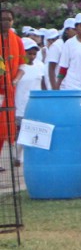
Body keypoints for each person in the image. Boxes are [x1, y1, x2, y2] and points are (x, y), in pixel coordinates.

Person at [14, 37, 47, 166]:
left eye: (34, 54)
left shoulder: (40, 66)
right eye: (29, 53)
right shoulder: (18, 67)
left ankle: (29, 156)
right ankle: (18, 155)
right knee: (22, 130)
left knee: (33, 131)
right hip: (20, 104)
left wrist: (44, 98)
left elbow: (42, 83)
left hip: (35, 104)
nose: (32, 56)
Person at [0, 9, 26, 169]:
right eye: (2, 19)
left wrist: (15, 80)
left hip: (10, 91)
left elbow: (22, 65)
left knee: (6, 125)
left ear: (13, 21)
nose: (6, 22)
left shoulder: (17, 40)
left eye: (9, 19)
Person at [47, 18, 75, 89]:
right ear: (67, 30)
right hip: (61, 88)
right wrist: (55, 89)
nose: (77, 32)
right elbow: (51, 69)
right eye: (74, 29)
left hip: (73, 87)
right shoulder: (57, 46)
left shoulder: (75, 45)